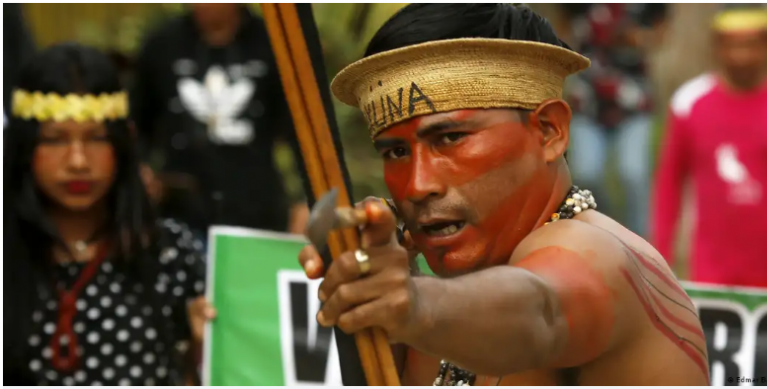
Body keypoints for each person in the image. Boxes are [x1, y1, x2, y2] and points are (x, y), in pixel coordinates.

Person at [297, 4, 708, 385]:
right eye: (397, 152)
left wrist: (412, 305)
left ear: (549, 131)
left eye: (451, 138)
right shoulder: (440, 296)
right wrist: (379, 297)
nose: (418, 184)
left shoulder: (596, 255)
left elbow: (541, 312)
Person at [4, 43, 214, 386]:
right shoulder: (7, 256)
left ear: (123, 142)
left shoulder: (169, 253)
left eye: (97, 138)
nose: (78, 161)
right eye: (55, 139)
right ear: (24, 147)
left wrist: (204, 348)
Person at [651, 5, 767, 291]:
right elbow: (669, 181)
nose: (741, 56)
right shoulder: (688, 103)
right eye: (731, 46)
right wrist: (662, 250)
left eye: (751, 46)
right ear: (716, 48)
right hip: (712, 267)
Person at [130, 4, 309, 237]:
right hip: (179, 211)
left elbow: (303, 132)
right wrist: (139, 172)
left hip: (257, 209)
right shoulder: (161, 44)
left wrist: (307, 200)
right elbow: (135, 126)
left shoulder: (274, 43)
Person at [563, 4, 669, 238]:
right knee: (585, 174)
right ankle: (605, 232)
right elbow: (563, 25)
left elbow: (661, 34)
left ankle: (642, 245)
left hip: (633, 101)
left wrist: (639, 38)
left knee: (633, 173)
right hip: (588, 101)